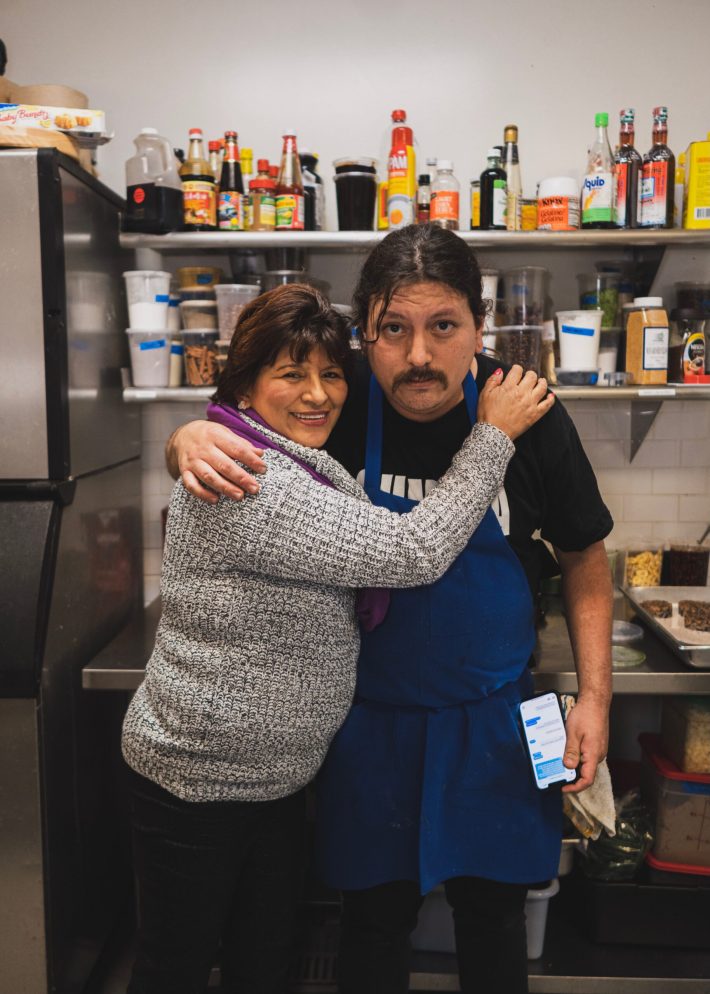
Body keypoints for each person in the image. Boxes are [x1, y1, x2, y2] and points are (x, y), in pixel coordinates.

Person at [166, 225, 614, 994]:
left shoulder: (524, 407)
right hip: (365, 725)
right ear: (362, 329)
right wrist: (191, 435)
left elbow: (585, 556)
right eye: (394, 330)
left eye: (444, 327)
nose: (419, 356)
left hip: (507, 716)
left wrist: (596, 699)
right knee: (370, 928)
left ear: (480, 326)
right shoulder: (333, 400)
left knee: (499, 921)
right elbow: (240, 426)